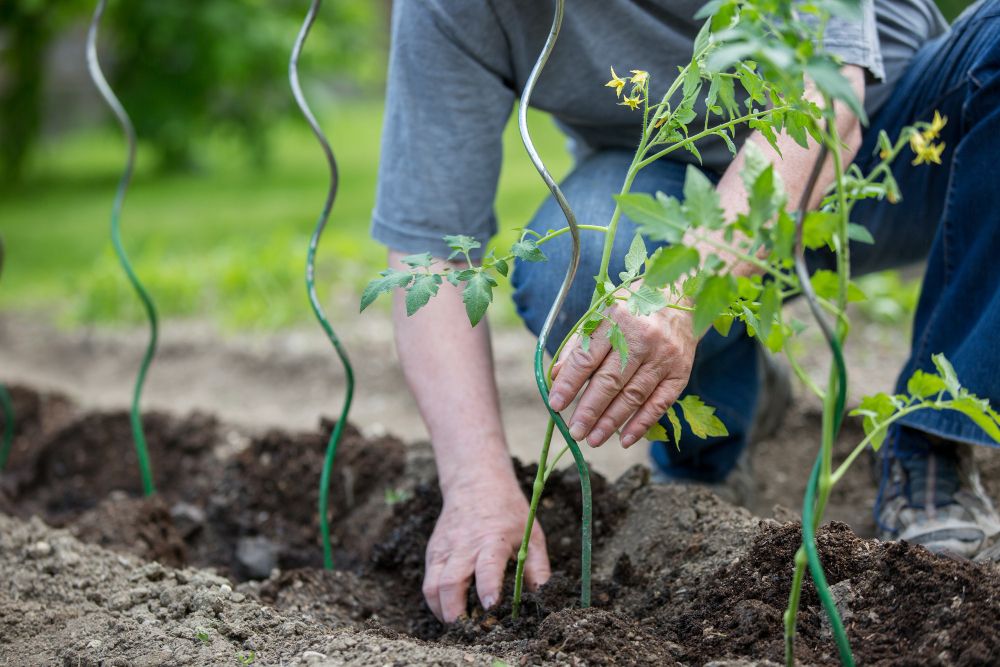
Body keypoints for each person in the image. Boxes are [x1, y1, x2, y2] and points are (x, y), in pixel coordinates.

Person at [370, 0, 1000, 623]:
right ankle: (710, 448)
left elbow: (824, 107)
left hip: (900, 149)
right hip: (668, 184)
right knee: (582, 267)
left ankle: (933, 441)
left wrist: (683, 292)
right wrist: (476, 484)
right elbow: (429, 250)